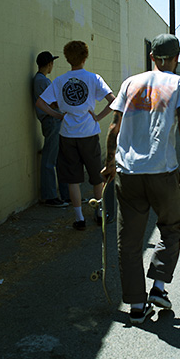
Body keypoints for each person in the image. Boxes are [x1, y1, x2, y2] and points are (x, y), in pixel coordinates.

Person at [101, 34, 180, 325]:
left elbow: (114, 127)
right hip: (162, 172)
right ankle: (158, 286)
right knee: (170, 229)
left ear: (152, 57)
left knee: (129, 242)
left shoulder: (130, 83)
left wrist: (109, 163)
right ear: (176, 58)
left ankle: (137, 306)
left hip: (128, 173)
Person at [36, 41, 115, 230]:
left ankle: (79, 218)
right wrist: (98, 117)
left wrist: (57, 115)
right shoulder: (94, 78)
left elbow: (40, 102)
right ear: (85, 57)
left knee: (73, 179)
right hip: (89, 134)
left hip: (67, 135)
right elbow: (113, 100)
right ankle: (98, 213)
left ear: (67, 58)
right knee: (97, 177)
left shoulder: (60, 81)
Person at [32, 51, 69, 208]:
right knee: (49, 159)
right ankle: (50, 196)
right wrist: (61, 114)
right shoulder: (41, 81)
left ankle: (65, 195)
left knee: (59, 158)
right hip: (51, 121)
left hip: (53, 120)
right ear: (48, 64)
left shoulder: (41, 80)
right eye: (52, 63)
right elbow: (52, 102)